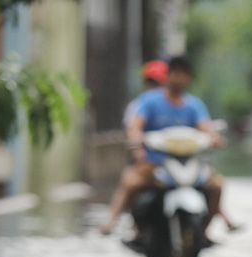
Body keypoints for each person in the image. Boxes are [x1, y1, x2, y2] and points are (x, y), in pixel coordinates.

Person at [100, 55, 237, 241]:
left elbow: (206, 128)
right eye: (175, 73)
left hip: (188, 162)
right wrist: (136, 140)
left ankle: (204, 231)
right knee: (131, 182)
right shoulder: (150, 102)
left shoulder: (194, 105)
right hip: (155, 163)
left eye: (183, 74)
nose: (179, 78)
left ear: (189, 78)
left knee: (217, 185)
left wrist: (214, 138)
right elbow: (135, 127)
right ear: (168, 75)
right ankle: (123, 225)